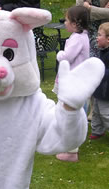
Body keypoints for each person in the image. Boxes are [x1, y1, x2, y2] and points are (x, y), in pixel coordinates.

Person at [53, 5, 90, 162]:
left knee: (69, 113)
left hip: (72, 82)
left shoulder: (76, 39)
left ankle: (71, 151)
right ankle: (66, 141)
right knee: (73, 111)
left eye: (67, 20)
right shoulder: (83, 37)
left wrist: (59, 54)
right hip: (77, 81)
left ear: (75, 23)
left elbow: (67, 57)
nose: (65, 23)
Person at [76, 0, 109, 122]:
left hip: (104, 37)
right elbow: (80, 11)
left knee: (102, 72)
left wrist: (90, 9)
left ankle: (99, 108)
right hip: (87, 36)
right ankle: (93, 108)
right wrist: (102, 11)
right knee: (89, 73)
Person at [90, 22, 109, 138]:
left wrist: (100, 72)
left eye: (99, 35)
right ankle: (97, 131)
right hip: (99, 88)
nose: (96, 38)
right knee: (96, 111)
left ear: (108, 39)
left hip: (106, 90)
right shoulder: (102, 51)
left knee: (105, 113)